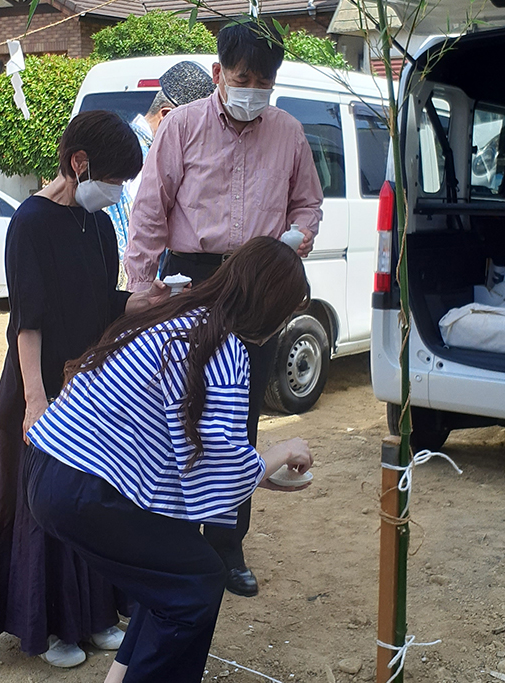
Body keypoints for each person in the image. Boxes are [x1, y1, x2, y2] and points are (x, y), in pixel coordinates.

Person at [25, 236, 315, 683]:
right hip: (83, 484)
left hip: (56, 468)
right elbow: (219, 458)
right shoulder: (219, 345)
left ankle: (119, 676)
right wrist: (281, 452)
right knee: (194, 585)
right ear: (269, 307)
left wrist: (262, 472)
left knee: (173, 577)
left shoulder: (183, 318)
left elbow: (202, 454)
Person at [0, 110, 171, 668]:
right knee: (42, 509)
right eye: (115, 180)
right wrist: (35, 403)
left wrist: (138, 302)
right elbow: (27, 321)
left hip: (88, 390)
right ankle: (50, 627)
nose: (117, 192)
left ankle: (96, 615)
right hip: (39, 391)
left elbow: (102, 303)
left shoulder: (98, 225)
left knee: (90, 503)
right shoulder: (29, 222)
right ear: (79, 163)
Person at [123, 20, 325, 597]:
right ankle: (172, 540)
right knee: (175, 411)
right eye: (242, 78)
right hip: (192, 278)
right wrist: (141, 286)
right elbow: (149, 212)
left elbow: (308, 206)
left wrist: (295, 240)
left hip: (257, 283)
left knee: (240, 415)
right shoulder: (182, 127)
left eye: (262, 82)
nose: (251, 90)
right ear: (218, 74)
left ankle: (228, 545)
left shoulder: (288, 133)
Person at [105, 61, 216, 269]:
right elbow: (144, 228)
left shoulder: (143, 147)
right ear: (166, 115)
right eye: (193, 127)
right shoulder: (136, 152)